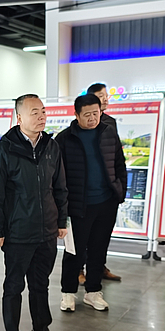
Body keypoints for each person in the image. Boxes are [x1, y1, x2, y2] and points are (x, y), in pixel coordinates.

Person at [0, 94, 68, 331]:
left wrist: (61, 221)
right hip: (17, 232)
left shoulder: (51, 147)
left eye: (43, 111)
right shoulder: (3, 150)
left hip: (46, 231)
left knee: (40, 285)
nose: (41, 116)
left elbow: (60, 187)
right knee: (13, 286)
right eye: (35, 112)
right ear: (19, 117)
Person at [55, 93, 127, 313]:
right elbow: (57, 176)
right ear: (76, 115)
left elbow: (120, 164)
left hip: (106, 203)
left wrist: (119, 192)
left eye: (96, 113)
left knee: (99, 249)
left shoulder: (109, 133)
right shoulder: (64, 139)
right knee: (74, 252)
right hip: (78, 206)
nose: (92, 118)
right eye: (87, 114)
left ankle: (93, 292)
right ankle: (68, 293)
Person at [85, 82, 122, 283]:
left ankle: (100, 267)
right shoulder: (80, 127)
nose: (106, 99)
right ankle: (79, 270)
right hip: (87, 192)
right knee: (85, 235)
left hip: (107, 190)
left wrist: (119, 188)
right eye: (101, 95)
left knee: (102, 235)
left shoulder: (111, 123)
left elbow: (117, 157)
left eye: (106, 95)